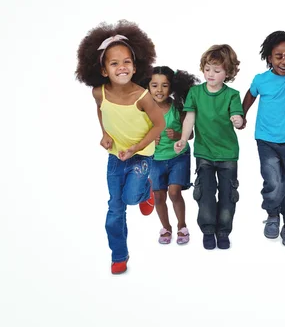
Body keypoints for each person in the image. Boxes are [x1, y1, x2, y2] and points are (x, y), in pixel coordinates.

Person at [75, 20, 165, 274]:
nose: (121, 67)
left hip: (141, 155)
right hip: (116, 157)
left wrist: (137, 148)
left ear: (135, 67)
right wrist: (104, 134)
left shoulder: (142, 96)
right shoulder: (98, 93)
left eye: (126, 62)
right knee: (115, 207)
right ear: (104, 71)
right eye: (114, 63)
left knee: (130, 197)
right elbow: (100, 110)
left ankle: (146, 190)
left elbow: (158, 125)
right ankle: (119, 255)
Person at [242, 31, 285, 247]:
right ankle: (272, 215)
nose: (283, 60)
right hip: (266, 139)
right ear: (269, 57)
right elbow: (250, 95)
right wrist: (242, 115)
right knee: (273, 181)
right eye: (278, 55)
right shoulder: (261, 79)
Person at [175, 45, 243, 250]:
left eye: (217, 70)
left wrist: (237, 120)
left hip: (228, 154)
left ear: (228, 72)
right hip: (204, 153)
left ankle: (223, 232)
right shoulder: (195, 93)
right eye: (207, 69)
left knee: (227, 195)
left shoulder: (232, 95)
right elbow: (189, 119)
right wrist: (183, 139)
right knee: (205, 193)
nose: (211, 74)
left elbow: (238, 117)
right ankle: (207, 230)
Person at [145, 66, 200, 245]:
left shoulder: (178, 108)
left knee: (174, 192)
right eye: (154, 85)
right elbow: (138, 135)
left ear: (172, 87)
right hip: (155, 160)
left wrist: (177, 136)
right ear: (147, 87)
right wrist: (150, 140)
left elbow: (190, 135)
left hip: (178, 157)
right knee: (159, 195)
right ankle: (166, 228)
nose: (159, 90)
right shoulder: (143, 110)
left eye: (164, 86)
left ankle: (182, 225)